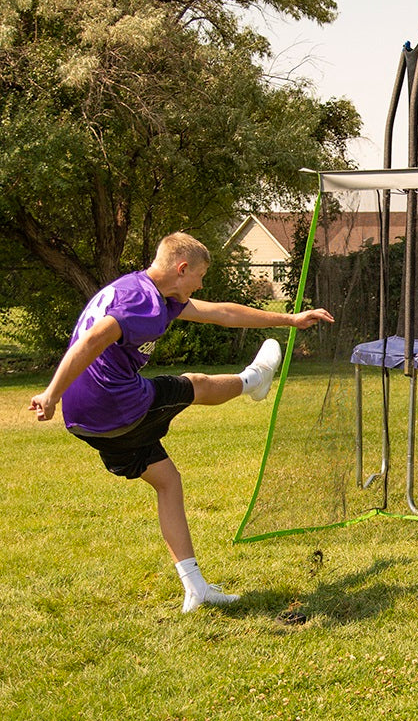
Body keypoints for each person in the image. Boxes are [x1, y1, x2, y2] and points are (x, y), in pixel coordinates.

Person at [29, 232, 334, 612]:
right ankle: (254, 381)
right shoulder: (141, 302)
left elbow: (221, 312)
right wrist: (50, 393)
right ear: (182, 268)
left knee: (168, 481)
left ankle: (196, 588)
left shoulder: (151, 293)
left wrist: (289, 319)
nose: (201, 285)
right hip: (118, 407)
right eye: (200, 276)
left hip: (87, 424)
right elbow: (91, 341)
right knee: (194, 384)